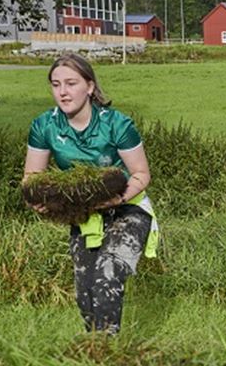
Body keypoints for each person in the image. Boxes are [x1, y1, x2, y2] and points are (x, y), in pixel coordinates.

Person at [23, 53, 156, 335]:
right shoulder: (44, 125)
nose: (63, 92)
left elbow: (142, 175)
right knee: (85, 293)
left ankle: (106, 355)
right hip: (83, 214)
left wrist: (116, 199)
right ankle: (94, 351)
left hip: (127, 209)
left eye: (71, 83)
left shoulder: (116, 124)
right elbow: (32, 179)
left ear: (90, 86)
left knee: (107, 276)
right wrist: (41, 202)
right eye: (56, 84)